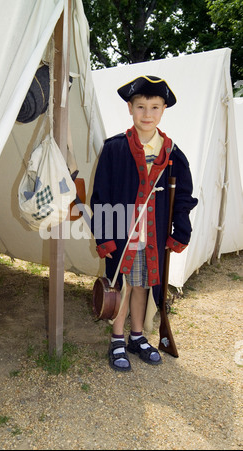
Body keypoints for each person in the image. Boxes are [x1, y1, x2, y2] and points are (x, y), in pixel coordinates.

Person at [90, 75, 198, 372]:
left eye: (154, 107)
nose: (147, 114)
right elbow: (101, 198)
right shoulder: (114, 149)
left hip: (153, 237)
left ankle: (137, 336)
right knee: (121, 287)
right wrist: (104, 238)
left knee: (142, 288)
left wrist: (181, 232)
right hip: (123, 236)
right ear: (130, 108)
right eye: (140, 107)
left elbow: (184, 199)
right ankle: (117, 340)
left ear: (163, 109)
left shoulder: (174, 154)